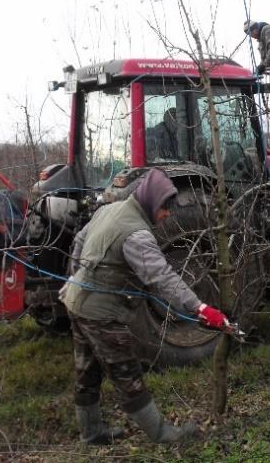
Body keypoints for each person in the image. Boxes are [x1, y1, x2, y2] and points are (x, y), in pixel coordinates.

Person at [60, 169, 229, 445]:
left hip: (76, 303)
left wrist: (75, 276)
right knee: (128, 375)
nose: (167, 216)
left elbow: (79, 241)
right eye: (164, 209)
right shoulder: (137, 235)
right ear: (150, 201)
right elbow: (163, 278)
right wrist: (201, 308)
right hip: (101, 315)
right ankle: (163, 435)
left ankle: (91, 433)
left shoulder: (109, 210)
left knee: (87, 370)